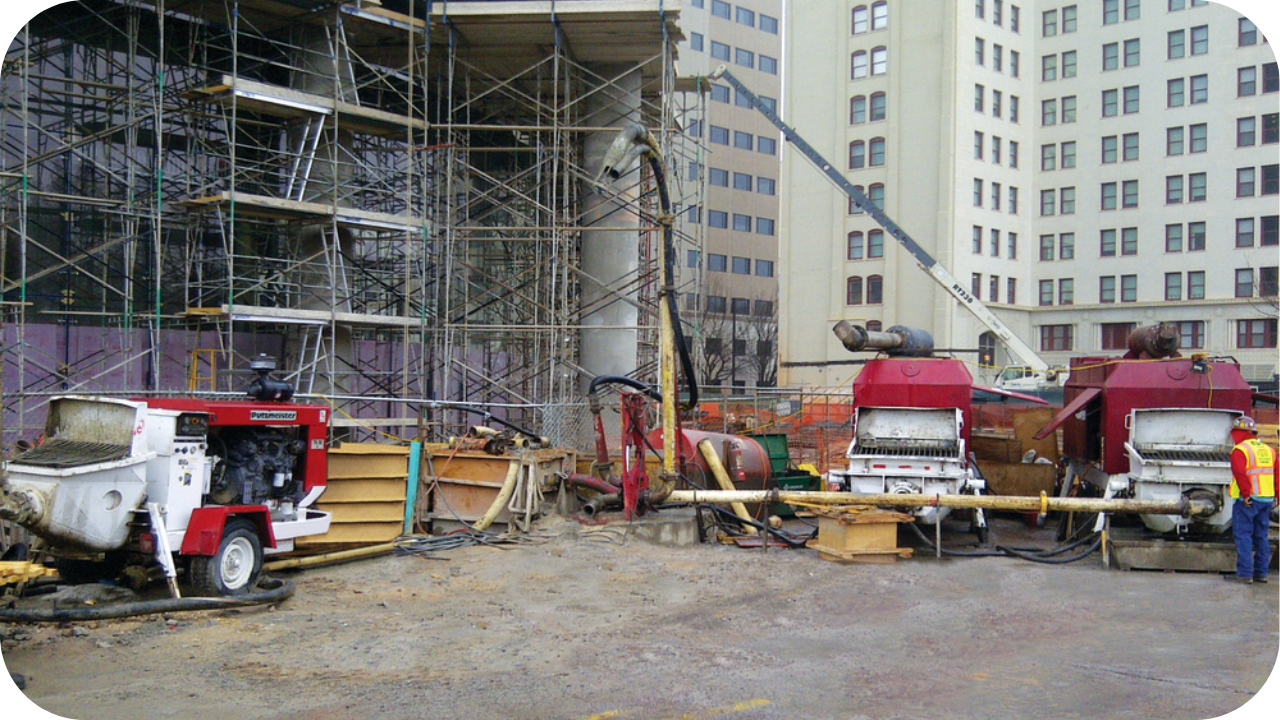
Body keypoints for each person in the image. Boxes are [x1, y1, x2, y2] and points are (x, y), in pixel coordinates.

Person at [1226, 416, 1275, 584]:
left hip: (1248, 500)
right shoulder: (1269, 450)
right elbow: (1278, 474)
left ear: (1239, 433)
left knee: (1243, 535)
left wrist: (1246, 494)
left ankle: (1245, 574)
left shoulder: (1240, 450)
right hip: (1266, 499)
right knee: (1261, 536)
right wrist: (1277, 495)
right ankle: (1262, 574)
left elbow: (1241, 474)